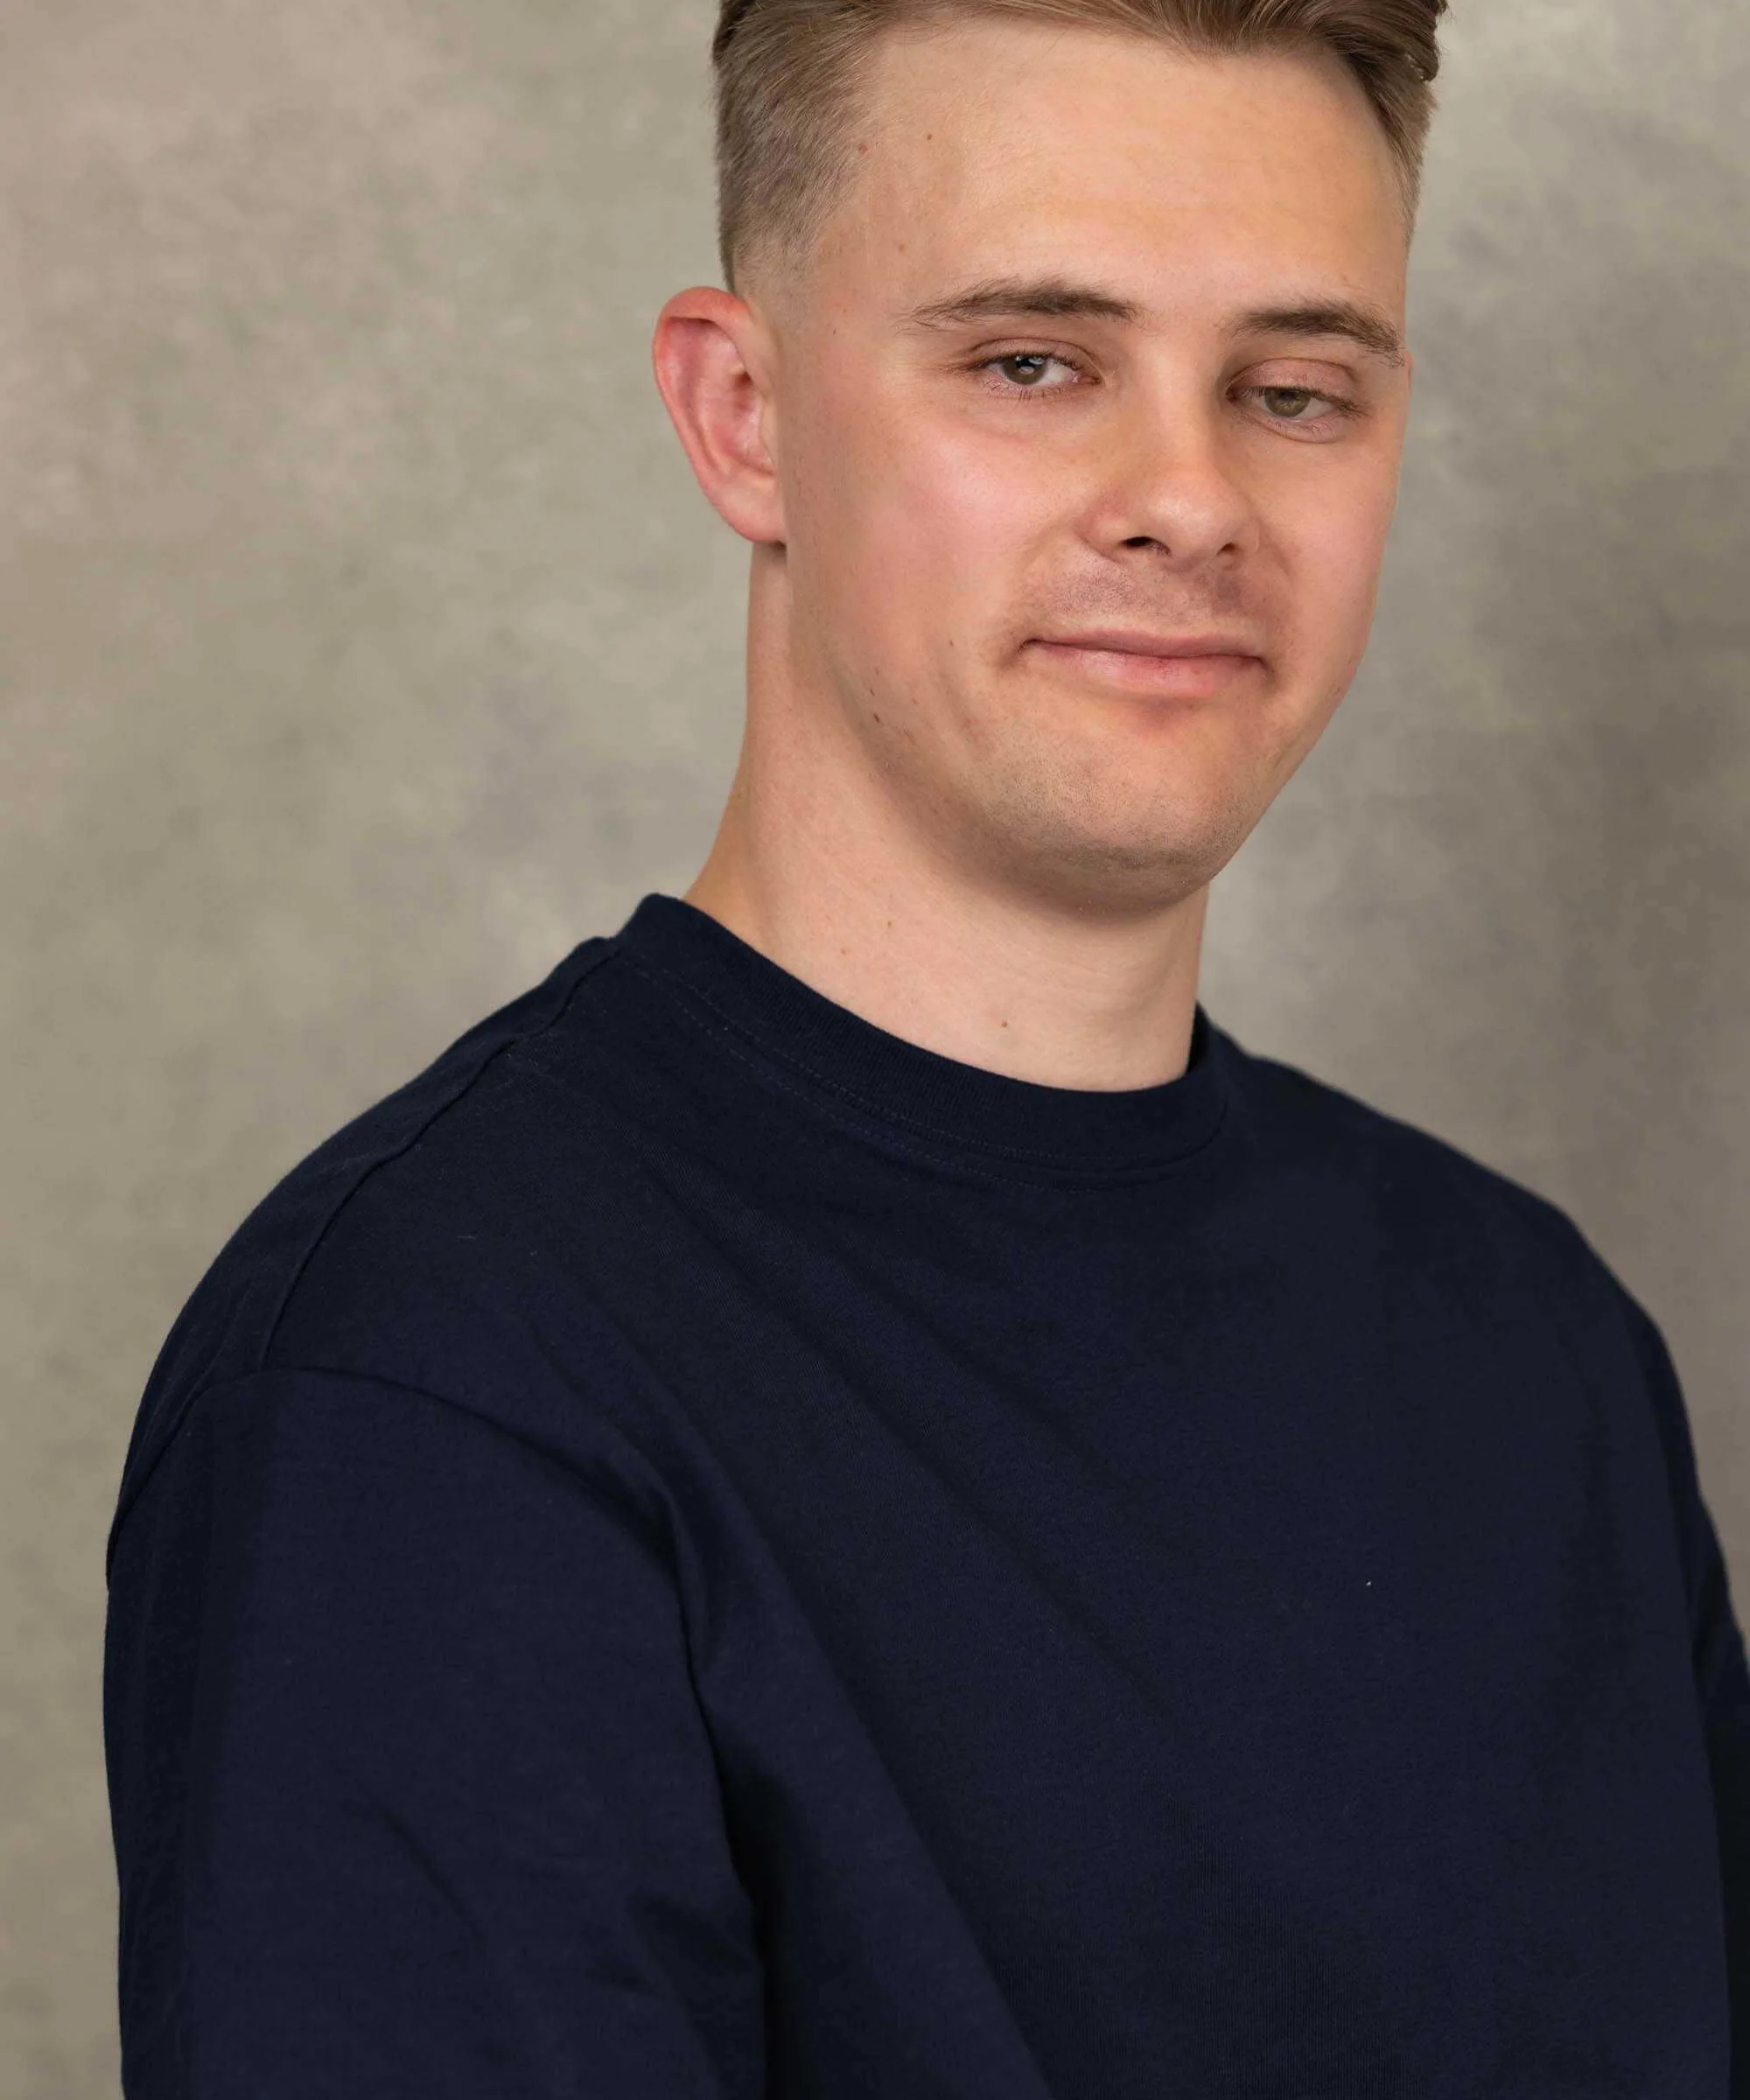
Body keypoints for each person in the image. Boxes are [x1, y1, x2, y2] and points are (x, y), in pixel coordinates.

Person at [103, 0, 1750, 2091]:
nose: (1190, 501)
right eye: (1032, 362)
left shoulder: (1536, 1345)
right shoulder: (429, 1386)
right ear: (743, 418)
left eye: (1292, 391)